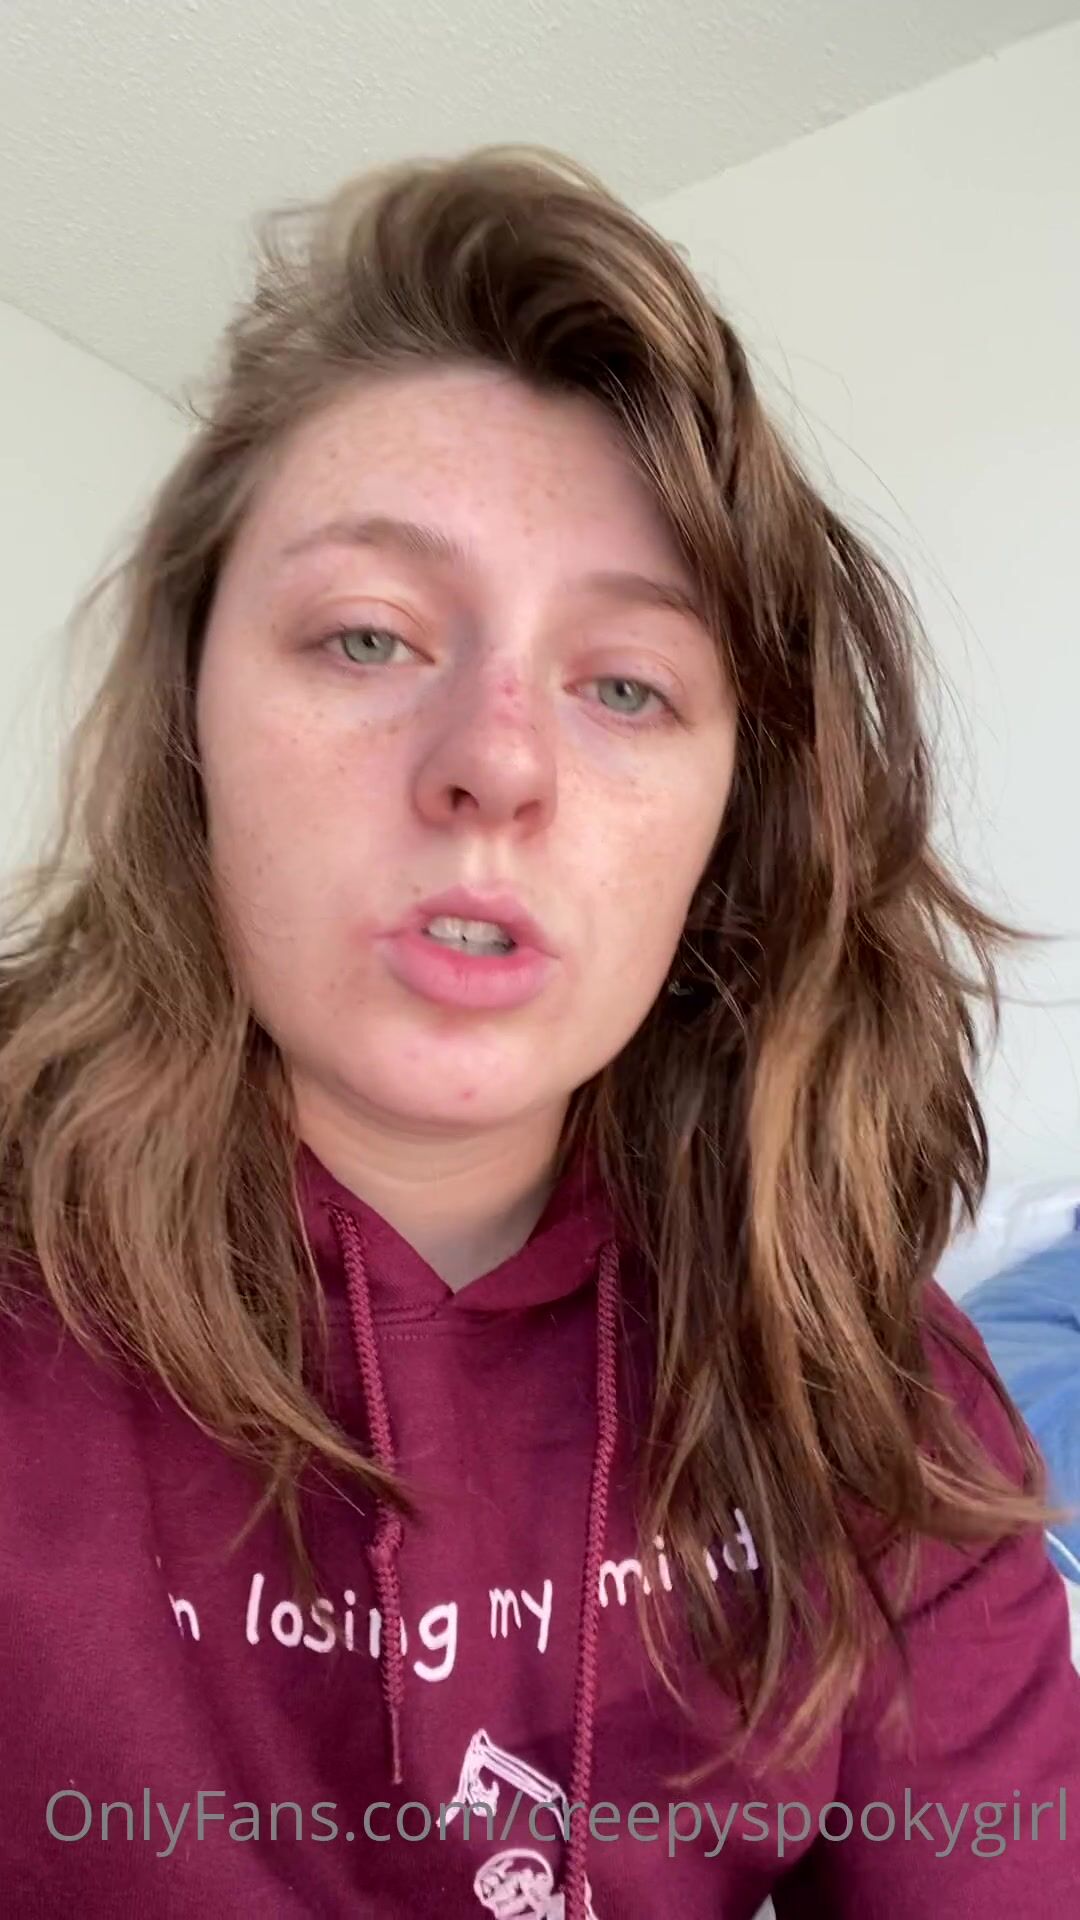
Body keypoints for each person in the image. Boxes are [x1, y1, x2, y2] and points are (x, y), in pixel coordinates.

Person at [0, 145, 1075, 1919]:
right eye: (367, 638)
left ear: (733, 830)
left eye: (627, 684)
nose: (494, 760)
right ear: (188, 723)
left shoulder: (884, 1407)